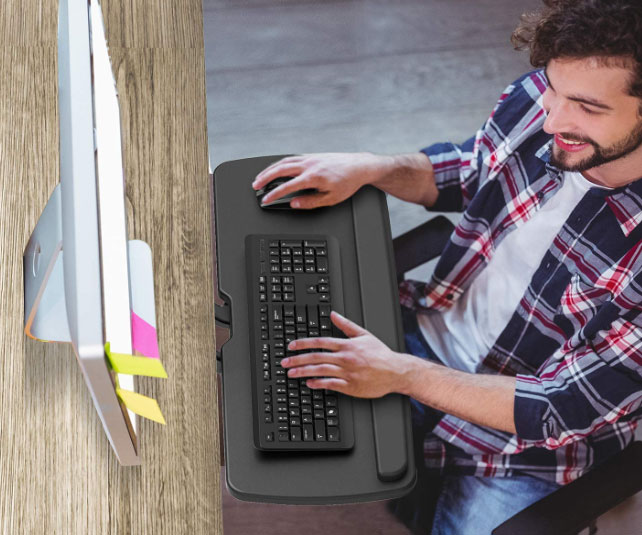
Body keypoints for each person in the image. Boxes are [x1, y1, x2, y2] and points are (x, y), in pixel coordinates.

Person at [251, 0, 642, 532]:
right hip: (418, 336)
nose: (551, 118)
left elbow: (559, 406)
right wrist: (375, 167)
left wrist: (400, 374)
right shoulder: (540, 105)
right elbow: (476, 166)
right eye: (551, 86)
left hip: (526, 447)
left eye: (586, 107)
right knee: (243, 396)